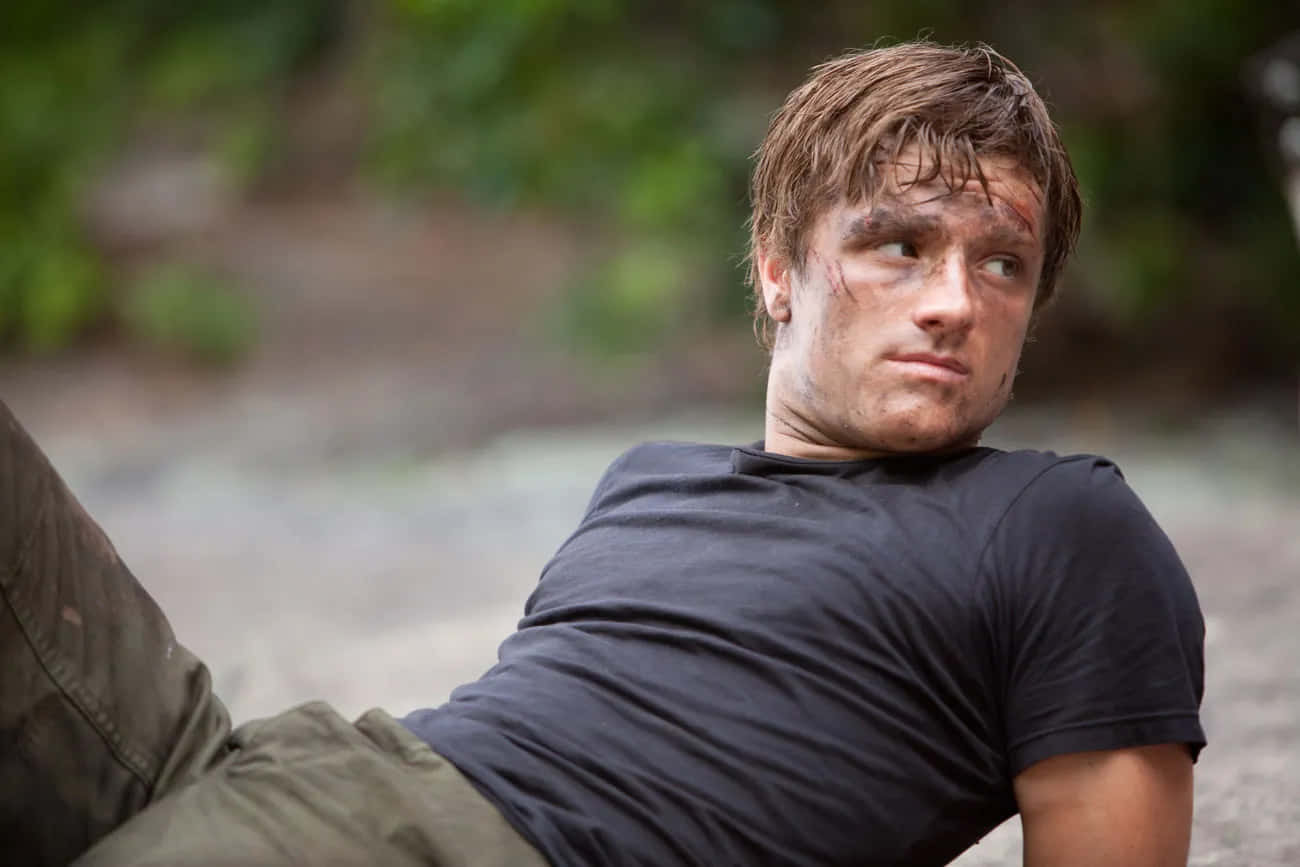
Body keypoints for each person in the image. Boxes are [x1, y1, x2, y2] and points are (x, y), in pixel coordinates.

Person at [2, 41, 1204, 867]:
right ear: (777, 273)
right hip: (266, 768)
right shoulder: (647, 480)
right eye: (899, 247)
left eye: (1002, 264)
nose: (953, 302)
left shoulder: (1059, 527)